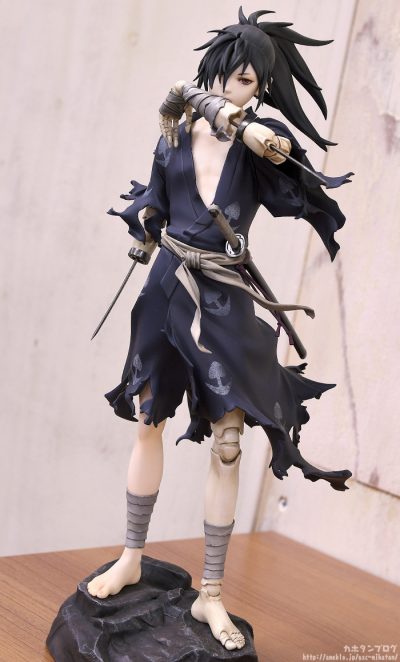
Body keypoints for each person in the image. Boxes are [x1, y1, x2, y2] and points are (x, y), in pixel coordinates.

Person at [87, 8, 352, 651]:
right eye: (233, 76)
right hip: (165, 288)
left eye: (253, 82)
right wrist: (146, 223)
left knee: (228, 442)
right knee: (149, 418)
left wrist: (265, 137)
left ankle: (210, 592)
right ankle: (131, 556)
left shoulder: (259, 141)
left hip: (224, 297)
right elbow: (156, 196)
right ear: (214, 72)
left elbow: (285, 166)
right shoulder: (176, 132)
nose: (240, 88)